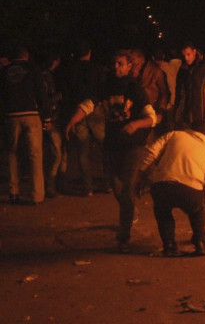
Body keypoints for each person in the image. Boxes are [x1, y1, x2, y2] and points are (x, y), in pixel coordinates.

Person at [65, 50, 157, 253]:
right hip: (112, 143)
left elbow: (152, 117)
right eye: (114, 63)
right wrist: (73, 119)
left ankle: (123, 237)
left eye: (120, 64)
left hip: (132, 145)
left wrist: (135, 125)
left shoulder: (135, 88)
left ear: (129, 66)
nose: (116, 67)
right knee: (115, 185)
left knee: (126, 187)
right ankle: (130, 209)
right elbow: (89, 104)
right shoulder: (105, 85)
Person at [135, 119, 205, 256]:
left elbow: (151, 153)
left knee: (163, 212)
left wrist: (139, 176)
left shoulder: (174, 135)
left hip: (161, 186)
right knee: (197, 211)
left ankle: (169, 245)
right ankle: (200, 243)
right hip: (190, 192)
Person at [1, 43, 50, 205]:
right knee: (35, 155)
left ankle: (13, 192)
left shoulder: (4, 71)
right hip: (31, 113)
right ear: (26, 56)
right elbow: (41, 93)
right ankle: (37, 195)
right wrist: (46, 116)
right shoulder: (33, 69)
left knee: (12, 153)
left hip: (11, 115)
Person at [59, 41, 106, 196]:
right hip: (95, 110)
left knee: (83, 151)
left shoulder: (69, 70)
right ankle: (108, 182)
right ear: (89, 52)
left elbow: (66, 93)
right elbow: (102, 90)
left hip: (77, 112)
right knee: (104, 147)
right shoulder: (97, 69)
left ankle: (88, 188)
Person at [40, 51, 66, 197]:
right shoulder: (46, 77)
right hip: (51, 119)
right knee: (56, 154)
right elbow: (44, 100)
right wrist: (61, 96)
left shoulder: (48, 76)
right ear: (55, 61)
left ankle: (56, 184)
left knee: (56, 153)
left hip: (53, 118)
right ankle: (50, 186)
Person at [130, 48, 170, 135]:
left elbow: (165, 92)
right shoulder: (133, 71)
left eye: (133, 59)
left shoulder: (156, 72)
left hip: (152, 110)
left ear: (142, 59)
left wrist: (160, 111)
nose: (131, 62)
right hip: (137, 111)